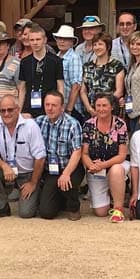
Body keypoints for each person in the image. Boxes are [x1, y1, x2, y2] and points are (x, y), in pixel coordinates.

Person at [0, 96, 46, 219]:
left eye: (10, 110)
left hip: (28, 174)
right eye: (3, 110)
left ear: (18, 109)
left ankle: (37, 191)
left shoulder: (30, 126)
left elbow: (40, 157)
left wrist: (33, 182)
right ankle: (2, 207)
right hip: (8, 172)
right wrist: (4, 166)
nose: (6, 114)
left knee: (26, 213)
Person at [33, 91, 84, 221]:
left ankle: (74, 208)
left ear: (62, 107)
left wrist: (66, 173)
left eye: (54, 105)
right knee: (46, 212)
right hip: (51, 171)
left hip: (71, 168)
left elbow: (77, 152)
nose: (50, 108)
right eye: (47, 104)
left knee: (69, 182)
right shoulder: (38, 122)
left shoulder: (72, 124)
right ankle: (60, 199)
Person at [80, 94, 129, 221]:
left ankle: (118, 209)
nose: (101, 109)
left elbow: (122, 155)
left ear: (112, 107)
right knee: (101, 212)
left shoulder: (120, 124)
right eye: (98, 106)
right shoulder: (88, 125)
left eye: (104, 105)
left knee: (116, 170)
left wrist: (103, 165)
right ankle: (110, 194)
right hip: (96, 169)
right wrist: (92, 166)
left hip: (115, 164)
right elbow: (84, 153)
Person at [17, 24, 65, 118]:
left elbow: (60, 86)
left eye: (38, 39)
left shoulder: (56, 61)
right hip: (29, 109)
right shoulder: (24, 62)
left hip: (49, 107)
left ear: (45, 40)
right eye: (32, 40)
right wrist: (19, 110)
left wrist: (61, 107)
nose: (35, 43)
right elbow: (22, 88)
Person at [80, 33, 125, 118]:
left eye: (100, 44)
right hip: (91, 112)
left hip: (110, 111)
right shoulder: (87, 66)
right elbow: (83, 91)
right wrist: (89, 108)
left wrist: (103, 106)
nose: (97, 47)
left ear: (108, 47)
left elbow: (119, 91)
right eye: (95, 45)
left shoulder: (117, 65)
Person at [51, 25, 85, 125]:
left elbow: (76, 85)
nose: (61, 41)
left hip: (71, 108)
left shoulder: (74, 57)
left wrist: (69, 109)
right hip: (58, 106)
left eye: (65, 39)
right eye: (59, 38)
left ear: (72, 42)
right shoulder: (56, 57)